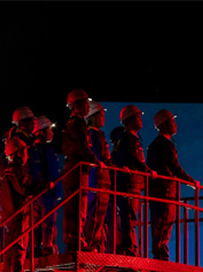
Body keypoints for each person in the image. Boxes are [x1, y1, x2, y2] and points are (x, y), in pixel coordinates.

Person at [147, 109, 198, 261]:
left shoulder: (154, 145)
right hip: (166, 190)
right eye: (172, 122)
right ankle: (161, 256)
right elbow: (174, 166)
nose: (175, 125)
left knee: (159, 224)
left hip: (157, 190)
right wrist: (191, 181)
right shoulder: (165, 145)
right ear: (164, 125)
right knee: (164, 223)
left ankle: (160, 253)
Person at [61, 88, 101, 251]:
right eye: (85, 103)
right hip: (78, 169)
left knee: (72, 206)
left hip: (71, 168)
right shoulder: (78, 123)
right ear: (76, 105)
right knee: (79, 206)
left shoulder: (70, 123)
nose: (87, 106)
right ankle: (77, 241)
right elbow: (82, 146)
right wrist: (95, 161)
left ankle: (72, 240)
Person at [112, 104, 155, 256]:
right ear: (129, 120)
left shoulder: (133, 139)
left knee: (131, 217)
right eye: (138, 117)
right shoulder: (127, 140)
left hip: (135, 184)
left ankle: (131, 247)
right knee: (129, 216)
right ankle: (130, 248)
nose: (141, 120)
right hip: (129, 184)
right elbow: (132, 159)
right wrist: (148, 171)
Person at [0, 136, 34, 272]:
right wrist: (42, 186)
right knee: (19, 248)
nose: (27, 154)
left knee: (10, 249)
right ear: (18, 153)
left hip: (9, 215)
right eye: (25, 151)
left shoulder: (7, 171)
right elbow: (24, 189)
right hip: (18, 214)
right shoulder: (17, 169)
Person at [29, 116, 63, 256]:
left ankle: (34, 250)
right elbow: (53, 172)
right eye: (50, 130)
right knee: (48, 221)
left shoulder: (31, 150)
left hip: (35, 192)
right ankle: (48, 249)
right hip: (48, 192)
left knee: (35, 222)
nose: (52, 133)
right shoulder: (47, 150)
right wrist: (57, 192)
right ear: (42, 131)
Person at [84, 101, 113, 252]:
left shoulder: (98, 134)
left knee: (99, 216)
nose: (104, 119)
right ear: (93, 117)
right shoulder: (92, 135)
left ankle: (96, 244)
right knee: (95, 214)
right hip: (97, 181)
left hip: (102, 180)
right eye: (101, 116)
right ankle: (91, 245)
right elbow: (96, 156)